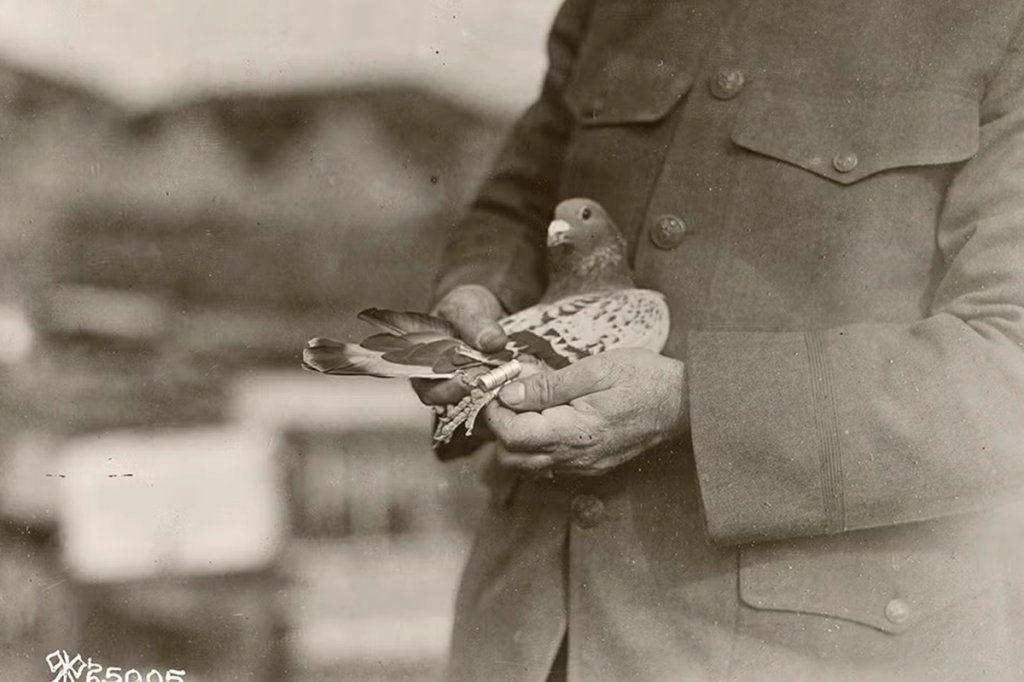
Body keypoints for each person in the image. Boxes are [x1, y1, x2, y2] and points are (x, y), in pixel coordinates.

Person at [414, 1, 1024, 679]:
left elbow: (1009, 369)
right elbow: (521, 202)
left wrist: (691, 405)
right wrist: (478, 294)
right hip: (528, 639)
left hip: (813, 653)